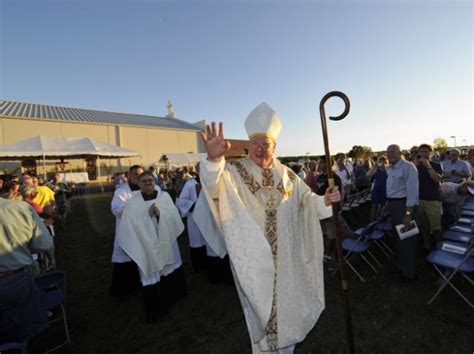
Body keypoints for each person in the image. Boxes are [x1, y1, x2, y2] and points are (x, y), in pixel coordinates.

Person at [198, 102, 340, 353]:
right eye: (256, 144)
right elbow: (213, 187)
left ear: (275, 147)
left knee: (288, 315)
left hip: (288, 262)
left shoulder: (287, 174)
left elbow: (307, 202)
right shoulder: (233, 171)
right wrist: (213, 159)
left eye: (267, 144)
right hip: (254, 260)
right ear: (248, 145)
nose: (261, 149)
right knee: (262, 317)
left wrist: (325, 201)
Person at [118, 171, 186, 323]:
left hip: (164, 240)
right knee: (150, 274)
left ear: (155, 181)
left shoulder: (164, 197)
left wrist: (160, 214)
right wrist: (146, 215)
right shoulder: (132, 203)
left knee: (167, 269)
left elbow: (174, 216)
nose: (148, 183)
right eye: (144, 181)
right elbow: (129, 225)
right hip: (145, 244)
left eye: (150, 180)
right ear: (139, 183)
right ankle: (154, 310)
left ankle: (169, 301)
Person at [0, 198, 54, 343]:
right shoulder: (19, 208)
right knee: (20, 330)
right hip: (15, 278)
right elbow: (43, 244)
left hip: (13, 278)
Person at [110, 165, 145, 298]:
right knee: (126, 260)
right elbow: (116, 209)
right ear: (129, 176)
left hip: (144, 230)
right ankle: (126, 289)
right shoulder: (121, 192)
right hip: (128, 231)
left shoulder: (147, 188)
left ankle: (143, 283)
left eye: (140, 174)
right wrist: (134, 207)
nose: (138, 176)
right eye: (135, 174)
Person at [385, 144, 419, 282]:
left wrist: (408, 213)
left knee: (407, 241)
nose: (389, 154)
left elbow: (412, 192)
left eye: (393, 151)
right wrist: (389, 204)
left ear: (400, 153)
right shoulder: (391, 168)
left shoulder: (408, 167)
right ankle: (401, 268)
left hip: (405, 207)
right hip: (395, 206)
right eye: (388, 152)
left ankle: (409, 274)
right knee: (398, 240)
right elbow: (393, 190)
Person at [175, 163, 207, 272]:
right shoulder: (190, 184)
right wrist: (192, 205)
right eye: (201, 168)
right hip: (195, 218)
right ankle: (199, 267)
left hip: (210, 218)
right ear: (197, 169)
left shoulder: (212, 182)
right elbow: (181, 201)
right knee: (197, 241)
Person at [414, 144, 443, 250]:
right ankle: (427, 244)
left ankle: (438, 246)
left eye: (426, 151)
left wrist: (428, 165)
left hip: (433, 199)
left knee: (436, 226)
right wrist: (414, 165)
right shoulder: (415, 165)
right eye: (421, 151)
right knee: (423, 225)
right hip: (418, 199)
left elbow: (437, 179)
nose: (423, 153)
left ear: (430, 153)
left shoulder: (436, 165)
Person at [366, 155, 388, 221]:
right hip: (376, 189)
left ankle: (380, 220)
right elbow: (367, 174)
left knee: (382, 206)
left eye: (383, 162)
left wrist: (385, 167)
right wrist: (374, 166)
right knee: (374, 206)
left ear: (386, 162)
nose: (381, 164)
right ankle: (372, 221)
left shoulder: (388, 169)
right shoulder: (376, 169)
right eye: (380, 162)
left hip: (385, 190)